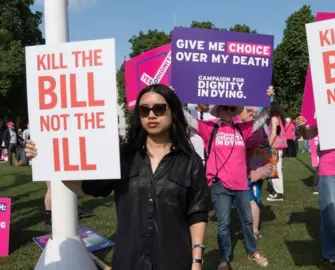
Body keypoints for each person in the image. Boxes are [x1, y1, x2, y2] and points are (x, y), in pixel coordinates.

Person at [26, 84, 209, 270]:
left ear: (173, 112)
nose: (151, 115)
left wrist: (196, 261)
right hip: (128, 260)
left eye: (159, 108)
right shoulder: (123, 156)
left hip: (174, 260)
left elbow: (197, 213)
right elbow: (86, 188)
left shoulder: (190, 161)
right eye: (144, 110)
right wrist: (48, 161)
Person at [184, 87, 273, 269]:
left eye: (233, 108)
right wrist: (177, 100)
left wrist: (268, 100)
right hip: (220, 184)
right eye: (226, 107)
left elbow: (263, 117)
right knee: (223, 223)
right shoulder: (210, 128)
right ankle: (224, 257)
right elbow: (188, 119)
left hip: (241, 183)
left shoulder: (243, 129)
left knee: (247, 221)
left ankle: (252, 251)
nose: (229, 111)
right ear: (219, 109)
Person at [296, 116, 335, 268]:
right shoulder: (325, 110)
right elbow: (308, 134)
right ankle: (333, 254)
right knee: (330, 215)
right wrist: (303, 127)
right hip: (328, 167)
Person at [238, 106, 275, 240]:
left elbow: (248, 145)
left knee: (251, 199)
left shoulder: (254, 128)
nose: (238, 114)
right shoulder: (253, 126)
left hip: (255, 167)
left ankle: (254, 231)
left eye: (240, 111)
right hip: (254, 165)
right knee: (249, 198)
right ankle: (250, 228)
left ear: (249, 113)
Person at [267, 102, 288, 202]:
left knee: (274, 170)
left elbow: (274, 133)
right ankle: (277, 192)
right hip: (279, 147)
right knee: (276, 169)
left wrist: (269, 144)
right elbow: (279, 132)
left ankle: (279, 193)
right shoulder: (279, 118)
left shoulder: (273, 118)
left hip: (274, 147)